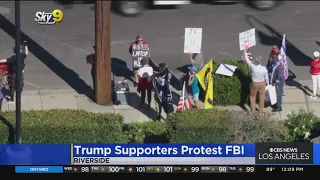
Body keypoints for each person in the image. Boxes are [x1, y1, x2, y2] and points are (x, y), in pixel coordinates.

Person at [243, 49, 269, 114]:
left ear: (256, 61)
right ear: (260, 62)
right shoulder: (264, 68)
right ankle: (261, 111)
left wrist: (245, 53)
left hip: (254, 83)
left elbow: (248, 61)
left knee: (252, 96)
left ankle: (253, 110)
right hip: (262, 83)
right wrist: (267, 84)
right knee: (261, 97)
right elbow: (266, 78)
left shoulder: (253, 67)